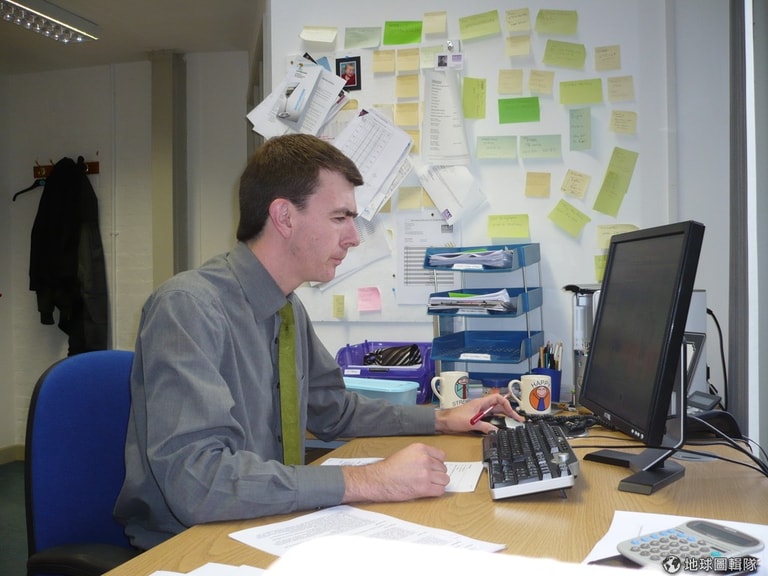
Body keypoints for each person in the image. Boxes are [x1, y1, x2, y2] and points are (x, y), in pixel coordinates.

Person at [113, 133, 520, 550]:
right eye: (340, 218)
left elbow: (333, 411)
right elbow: (199, 483)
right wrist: (371, 480)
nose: (354, 237)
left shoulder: (286, 309)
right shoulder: (188, 308)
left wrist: (441, 419)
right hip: (188, 545)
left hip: (265, 522)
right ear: (284, 217)